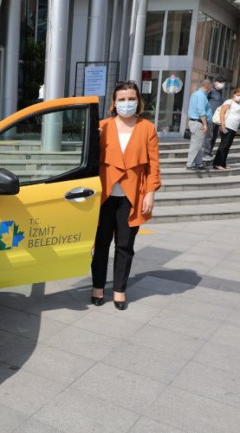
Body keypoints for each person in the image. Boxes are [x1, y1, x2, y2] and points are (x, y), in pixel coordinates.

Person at [91, 81, 162, 310]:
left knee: (125, 245)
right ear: (114, 102)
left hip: (132, 196)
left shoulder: (147, 128)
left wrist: (150, 192)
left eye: (131, 98)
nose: (127, 103)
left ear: (138, 101)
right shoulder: (102, 126)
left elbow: (153, 165)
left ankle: (119, 290)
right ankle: (98, 287)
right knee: (100, 244)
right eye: (122, 99)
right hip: (104, 196)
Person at [186, 79, 213, 170]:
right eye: (210, 87)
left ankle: (199, 163)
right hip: (198, 122)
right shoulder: (201, 96)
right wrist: (205, 124)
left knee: (199, 144)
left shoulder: (195, 94)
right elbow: (201, 110)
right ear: (208, 87)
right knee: (196, 144)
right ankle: (190, 163)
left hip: (195, 122)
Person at [212, 86, 240, 170]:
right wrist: (223, 125)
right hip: (227, 126)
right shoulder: (229, 101)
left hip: (234, 127)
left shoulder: (238, 104)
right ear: (234, 94)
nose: (239, 97)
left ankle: (223, 164)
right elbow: (222, 113)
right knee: (223, 145)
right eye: (238, 95)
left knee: (227, 146)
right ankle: (217, 163)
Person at [203, 77, 226, 161]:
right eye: (221, 82)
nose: (222, 84)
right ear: (215, 82)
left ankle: (209, 152)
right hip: (210, 117)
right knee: (209, 136)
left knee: (215, 136)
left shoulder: (220, 92)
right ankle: (205, 153)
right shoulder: (211, 91)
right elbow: (204, 101)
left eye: (223, 83)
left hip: (217, 118)